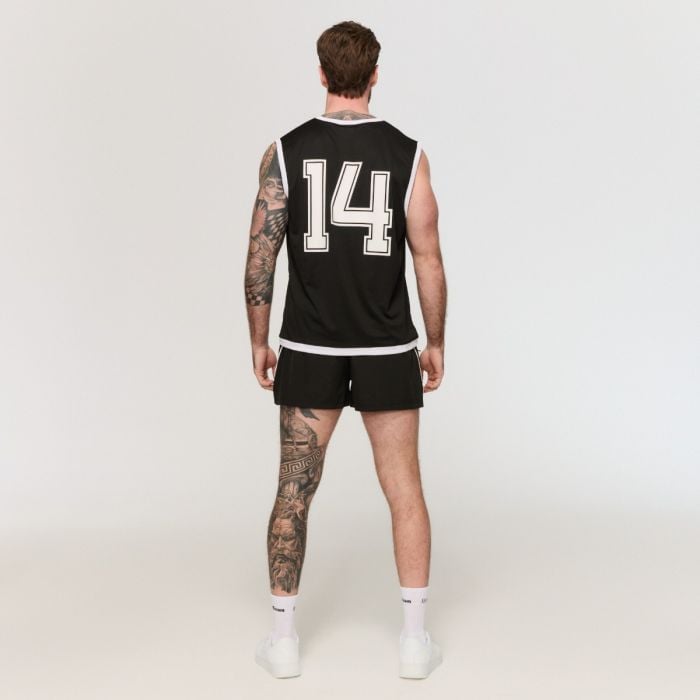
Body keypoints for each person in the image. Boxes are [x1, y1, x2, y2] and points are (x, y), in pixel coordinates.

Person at [244, 20, 447, 679]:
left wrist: (258, 340)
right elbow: (428, 259)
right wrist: (435, 341)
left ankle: (283, 642)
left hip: (310, 343)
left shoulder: (284, 152)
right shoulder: (409, 155)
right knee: (405, 488)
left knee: (293, 488)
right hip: (387, 346)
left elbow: (260, 259)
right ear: (375, 75)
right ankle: (414, 642)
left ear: (322, 74)